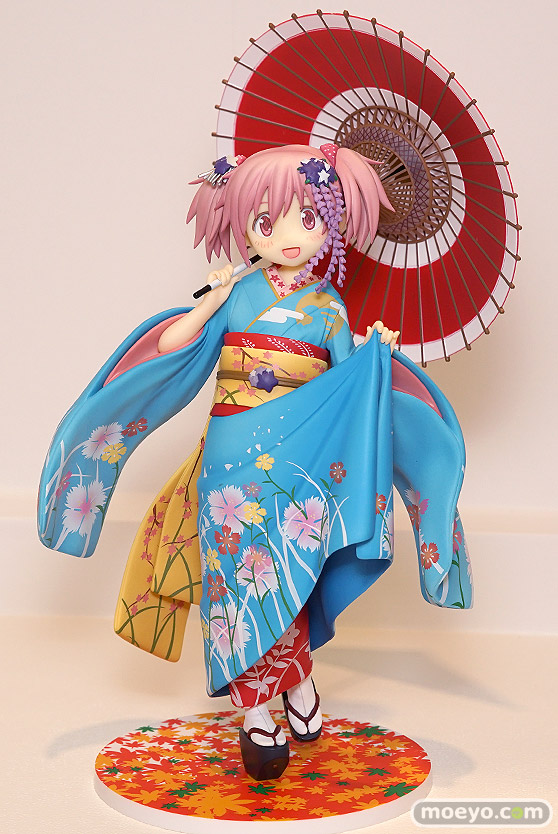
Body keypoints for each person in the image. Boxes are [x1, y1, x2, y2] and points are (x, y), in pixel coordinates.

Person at [38, 143, 472, 782]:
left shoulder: (328, 308)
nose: (289, 236)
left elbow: (349, 388)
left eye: (309, 218)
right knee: (236, 580)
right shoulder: (238, 295)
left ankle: (294, 679)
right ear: (242, 224)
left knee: (289, 571)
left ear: (332, 223)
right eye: (267, 222)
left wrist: (375, 356)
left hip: (300, 462)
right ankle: (258, 708)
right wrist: (208, 303)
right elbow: (175, 346)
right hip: (229, 459)